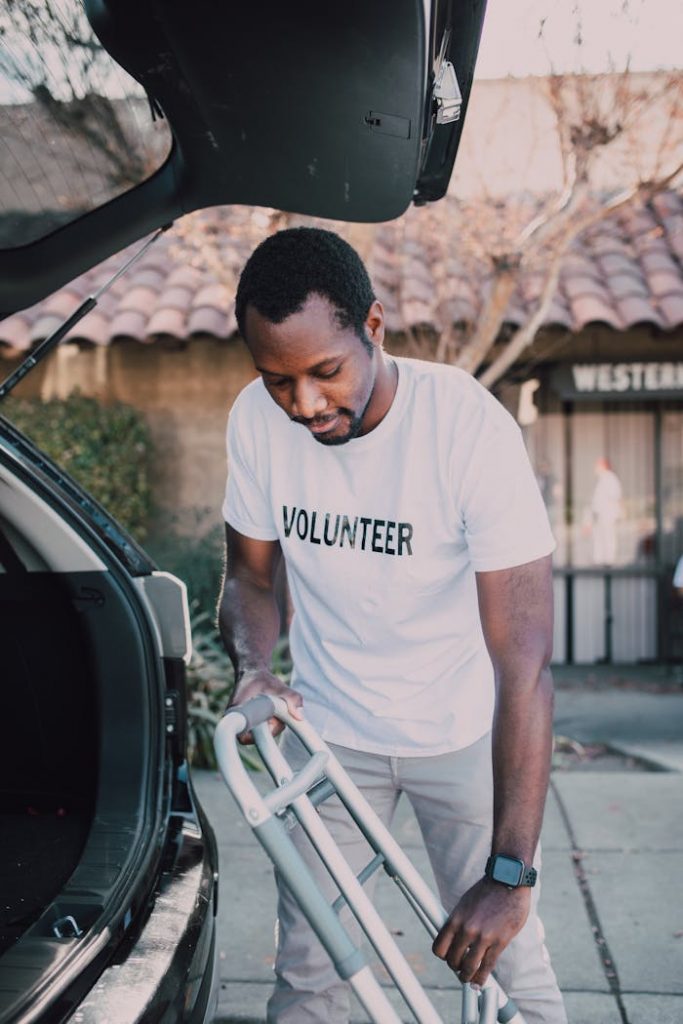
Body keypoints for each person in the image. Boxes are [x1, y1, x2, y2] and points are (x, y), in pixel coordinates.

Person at [219, 227, 567, 1024]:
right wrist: (252, 665)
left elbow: (524, 664)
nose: (304, 404)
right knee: (310, 975)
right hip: (331, 734)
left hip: (460, 737)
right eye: (277, 380)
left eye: (325, 372)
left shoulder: (466, 429)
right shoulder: (254, 421)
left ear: (373, 327)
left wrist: (510, 876)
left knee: (509, 973)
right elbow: (249, 576)